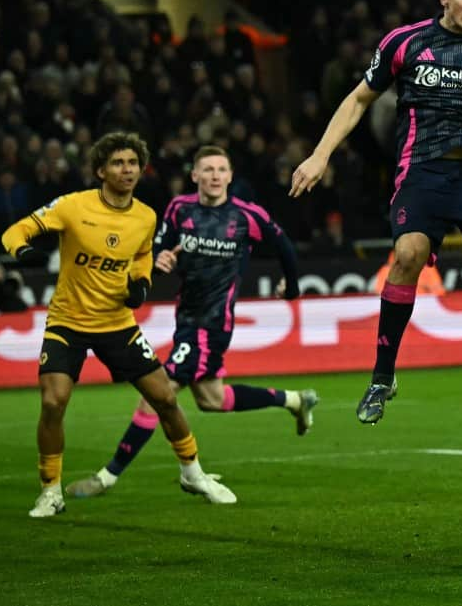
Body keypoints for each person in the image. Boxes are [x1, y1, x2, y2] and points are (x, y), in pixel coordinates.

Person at [290, 0, 462, 423]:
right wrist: (319, 155)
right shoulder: (404, 42)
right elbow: (359, 99)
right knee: (408, 253)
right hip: (421, 172)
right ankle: (383, 376)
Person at [2, 132, 235, 517]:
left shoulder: (144, 216)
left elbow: (143, 257)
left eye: (132, 163)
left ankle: (193, 473)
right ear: (100, 170)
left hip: (116, 324)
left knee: (165, 398)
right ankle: (50, 491)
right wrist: (24, 252)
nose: (127, 170)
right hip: (68, 322)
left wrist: (141, 285)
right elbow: (14, 232)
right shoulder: (73, 206)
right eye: (117, 163)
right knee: (53, 401)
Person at [64, 146, 313, 499]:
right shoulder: (180, 209)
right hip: (186, 319)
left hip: (212, 324)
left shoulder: (246, 215)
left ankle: (108, 477)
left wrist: (293, 288)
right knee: (212, 399)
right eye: (207, 169)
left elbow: (284, 245)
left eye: (221, 169)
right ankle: (293, 400)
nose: (214, 175)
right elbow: (160, 247)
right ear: (194, 176)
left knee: (156, 395)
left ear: (230, 176)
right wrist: (160, 258)